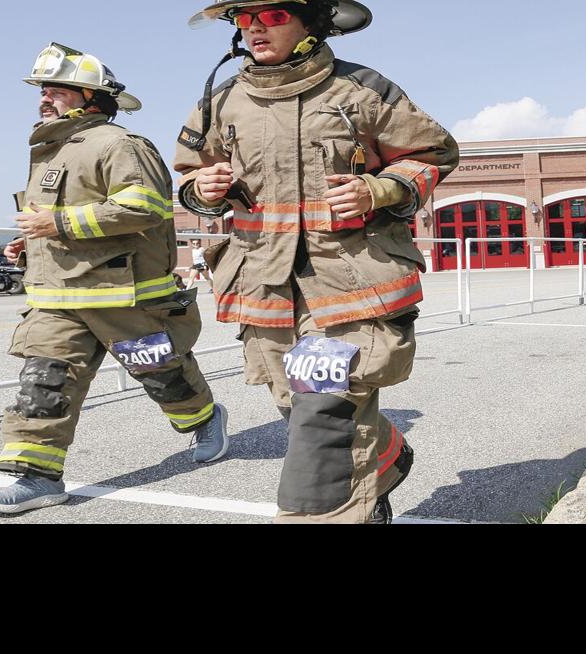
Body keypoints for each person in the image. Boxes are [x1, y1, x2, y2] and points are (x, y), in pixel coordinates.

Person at [175, 1, 458, 524]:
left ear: (311, 24)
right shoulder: (221, 101)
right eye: (245, 19)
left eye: (274, 16)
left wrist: (381, 188)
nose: (256, 27)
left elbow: (432, 153)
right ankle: (385, 457)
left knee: (323, 413)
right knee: (297, 404)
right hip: (264, 283)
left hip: (352, 278)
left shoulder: (363, 89)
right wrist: (201, 188)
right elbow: (193, 172)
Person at [0, 43, 231, 515]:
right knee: (44, 384)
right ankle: (36, 478)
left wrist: (58, 224)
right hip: (57, 297)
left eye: (56, 90)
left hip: (125, 299)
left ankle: (205, 418)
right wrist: (28, 245)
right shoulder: (49, 151)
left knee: (163, 378)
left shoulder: (119, 144)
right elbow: (47, 219)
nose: (44, 99)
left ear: (91, 99)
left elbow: (144, 207)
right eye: (43, 91)